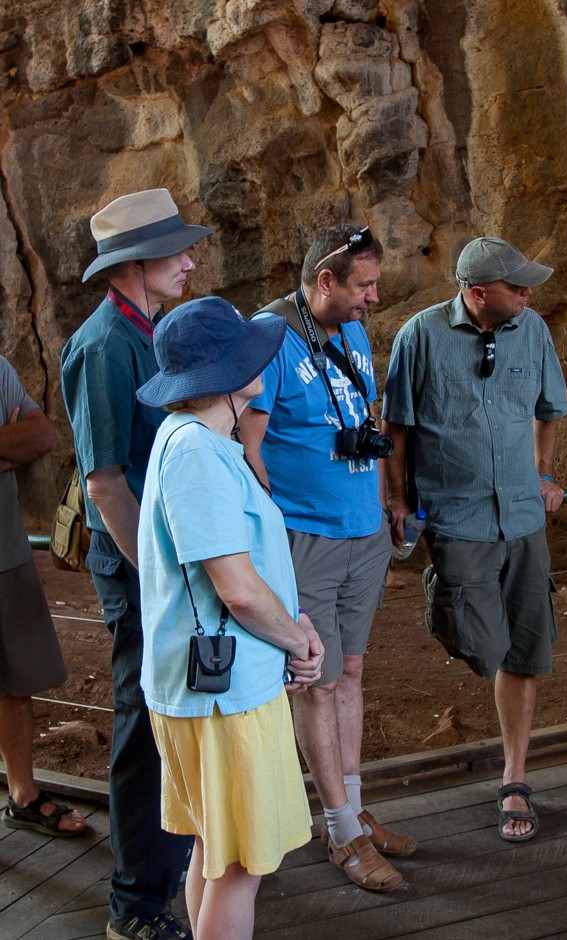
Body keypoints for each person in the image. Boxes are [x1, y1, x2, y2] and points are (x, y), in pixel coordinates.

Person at [136, 296, 324, 940]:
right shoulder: (198, 452)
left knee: (215, 853)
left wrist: (295, 621)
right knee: (240, 865)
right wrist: (297, 639)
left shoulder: (197, 440)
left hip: (218, 682)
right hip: (223, 692)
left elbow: (254, 576)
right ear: (226, 376)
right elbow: (238, 590)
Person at [238, 225, 409, 891]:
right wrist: (270, 540)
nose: (373, 296)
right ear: (325, 281)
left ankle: (356, 814)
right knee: (319, 677)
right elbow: (250, 449)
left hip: (361, 530)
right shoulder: (270, 338)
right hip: (304, 537)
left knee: (353, 671)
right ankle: (339, 831)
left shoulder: (352, 332)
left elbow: (362, 414)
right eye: (362, 285)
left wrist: (385, 502)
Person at [381, 236, 567, 842]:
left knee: (523, 650)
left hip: (521, 517)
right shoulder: (420, 335)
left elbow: (548, 409)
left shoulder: (532, 328)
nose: (529, 293)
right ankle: (445, 600)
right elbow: (397, 427)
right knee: (477, 640)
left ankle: (515, 777)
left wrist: (543, 475)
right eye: (518, 286)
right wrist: (398, 499)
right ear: (478, 291)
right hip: (457, 517)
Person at [61, 188, 208, 940]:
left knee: (170, 717)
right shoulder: (102, 346)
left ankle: (171, 874)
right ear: (138, 263)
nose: (190, 260)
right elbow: (105, 481)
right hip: (143, 577)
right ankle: (135, 904)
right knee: (144, 727)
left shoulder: (148, 329)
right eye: (178, 250)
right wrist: (157, 577)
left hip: (169, 568)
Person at [0, 355, 89, 839]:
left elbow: (41, 437)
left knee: (14, 680)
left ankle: (23, 794)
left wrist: (19, 443)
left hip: (5, 549)